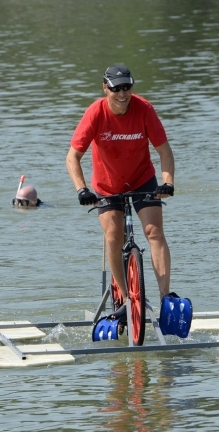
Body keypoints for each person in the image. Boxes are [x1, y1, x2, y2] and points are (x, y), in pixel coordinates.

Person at [65, 64, 178, 317]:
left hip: (142, 179)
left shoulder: (144, 109)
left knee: (154, 232)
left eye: (127, 87)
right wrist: (82, 190)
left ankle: (165, 296)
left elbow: (164, 151)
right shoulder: (95, 113)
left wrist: (168, 182)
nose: (123, 94)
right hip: (107, 185)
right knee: (114, 238)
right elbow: (72, 157)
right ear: (106, 87)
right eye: (117, 88)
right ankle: (128, 301)